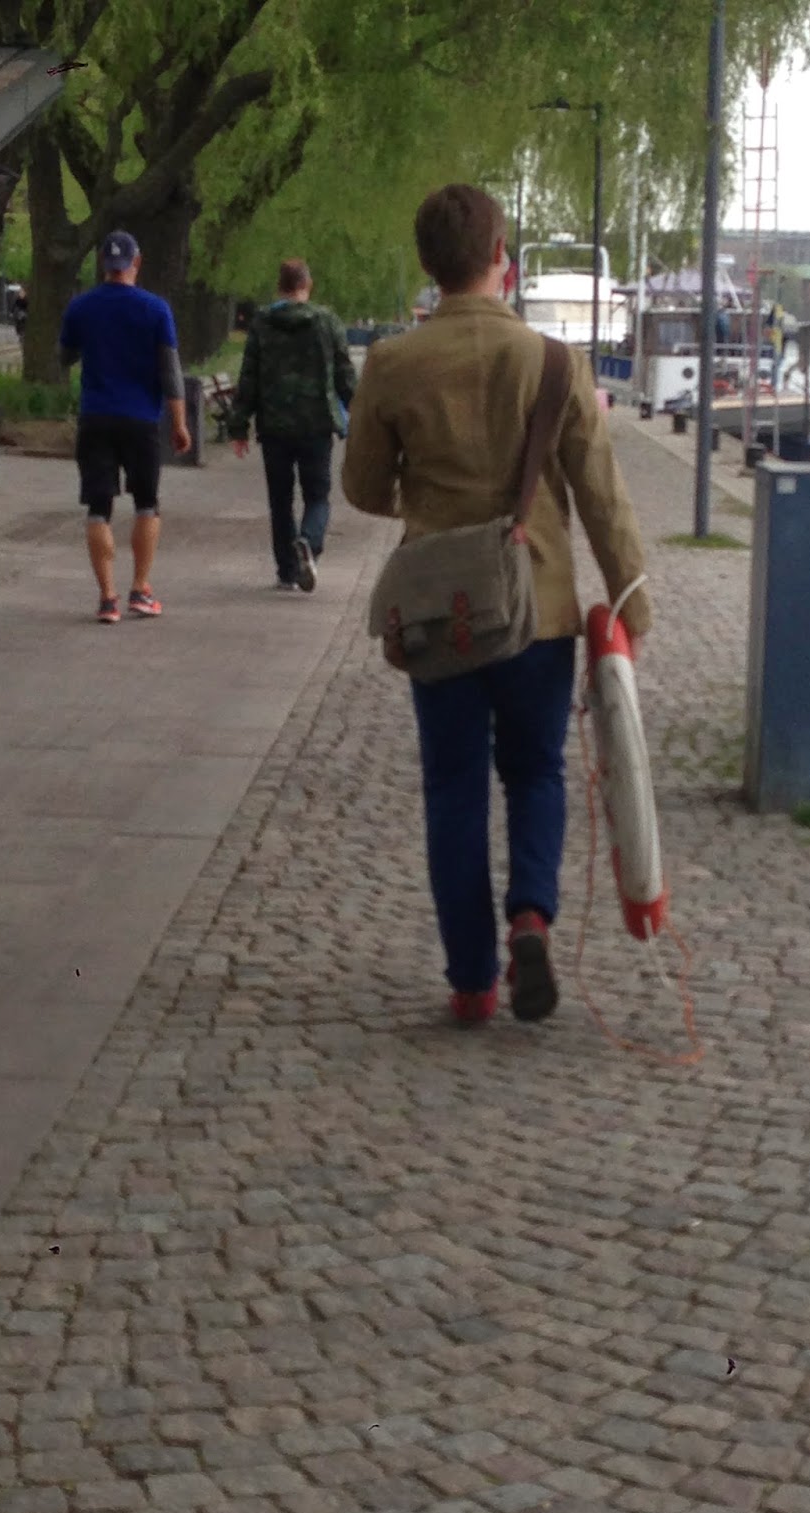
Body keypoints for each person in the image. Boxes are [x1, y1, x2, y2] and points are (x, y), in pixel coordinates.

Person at [342, 184, 653, 1028]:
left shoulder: (393, 363)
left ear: (428, 265)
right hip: (538, 611)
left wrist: (425, 495)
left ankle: (473, 982)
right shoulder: (554, 362)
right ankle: (531, 918)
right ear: (500, 259)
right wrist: (631, 604)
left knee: (453, 789)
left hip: (440, 613)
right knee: (535, 772)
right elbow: (603, 497)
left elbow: (362, 487)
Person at [58, 230, 190, 624]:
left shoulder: (81, 307)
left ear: (103, 262)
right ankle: (140, 589)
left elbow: (64, 356)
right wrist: (180, 423)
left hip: (95, 417)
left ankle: (107, 599)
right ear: (137, 262)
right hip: (141, 420)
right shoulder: (156, 309)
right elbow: (170, 373)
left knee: (98, 508)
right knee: (147, 503)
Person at [227, 259, 356, 592]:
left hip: (274, 425)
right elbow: (344, 375)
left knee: (280, 500)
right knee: (318, 495)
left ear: (280, 287)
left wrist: (238, 426)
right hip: (316, 424)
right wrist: (357, 415)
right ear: (307, 285)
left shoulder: (262, 323)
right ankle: (309, 542)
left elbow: (249, 376)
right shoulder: (327, 322)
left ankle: (287, 570)